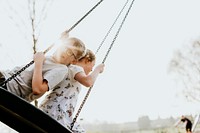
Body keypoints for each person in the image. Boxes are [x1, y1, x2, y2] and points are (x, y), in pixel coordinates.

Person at [0, 35, 86, 103]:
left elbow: (38, 89)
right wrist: (64, 38)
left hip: (10, 89)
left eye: (70, 52)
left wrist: (38, 62)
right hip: (6, 78)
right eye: (65, 47)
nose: (64, 51)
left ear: (74, 61)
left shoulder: (61, 69)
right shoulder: (50, 58)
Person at [39, 49, 105, 133]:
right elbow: (88, 82)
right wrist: (98, 69)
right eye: (92, 67)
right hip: (56, 112)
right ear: (87, 60)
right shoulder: (74, 68)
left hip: (61, 113)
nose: (91, 71)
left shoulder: (71, 69)